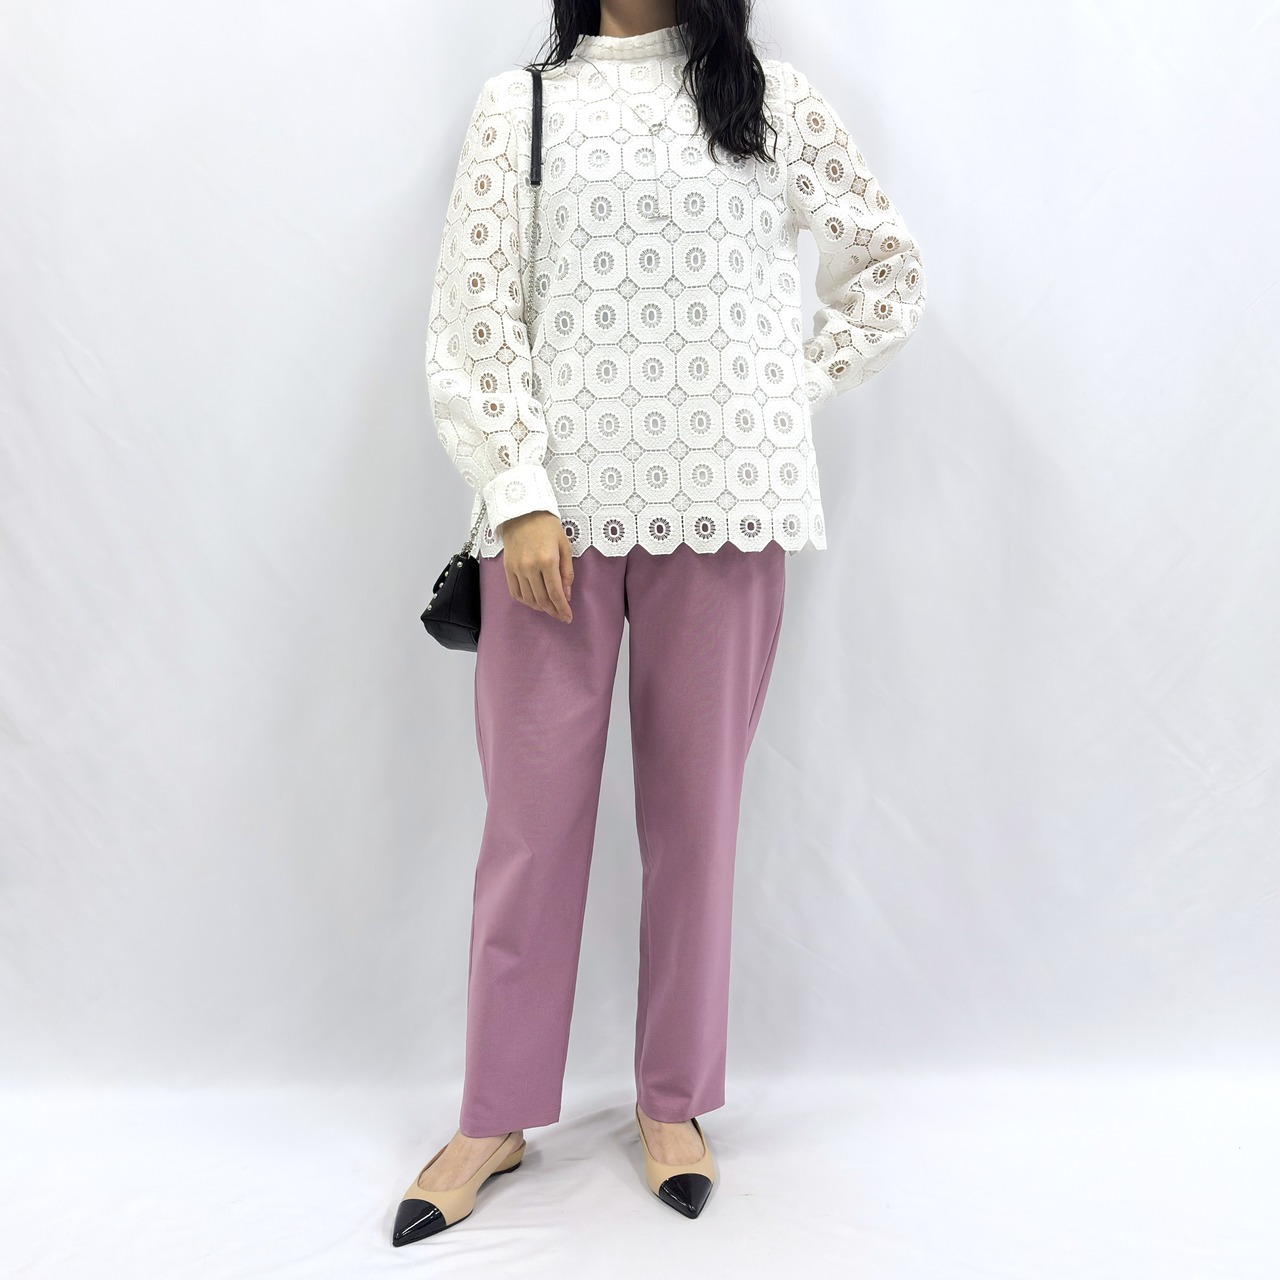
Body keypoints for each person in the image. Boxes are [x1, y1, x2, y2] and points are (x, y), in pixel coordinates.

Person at [392, 0, 927, 1245]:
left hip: (730, 509)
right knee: (528, 829)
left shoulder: (770, 102)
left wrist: (777, 389)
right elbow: (475, 318)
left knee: (697, 820)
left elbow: (885, 266)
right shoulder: (522, 107)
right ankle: (493, 1113)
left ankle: (672, 1100)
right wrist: (517, 491)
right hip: (552, 530)